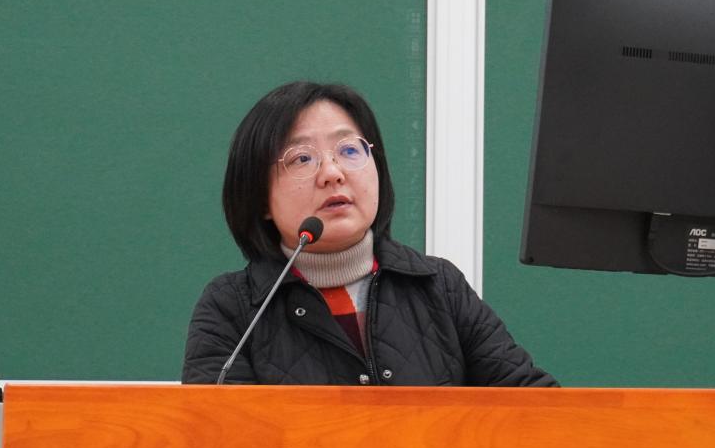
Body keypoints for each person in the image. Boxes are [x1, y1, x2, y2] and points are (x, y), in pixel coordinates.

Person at [183, 81, 557, 387]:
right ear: (259, 196)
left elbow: (536, 411)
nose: (332, 173)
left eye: (349, 150)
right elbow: (216, 440)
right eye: (302, 158)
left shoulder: (439, 287)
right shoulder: (233, 309)